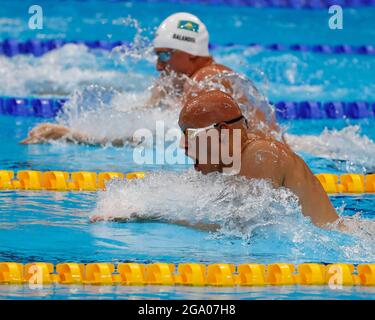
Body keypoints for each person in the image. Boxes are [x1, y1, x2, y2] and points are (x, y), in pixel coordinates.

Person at [21, 12, 278, 146]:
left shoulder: (205, 81)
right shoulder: (192, 79)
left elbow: (163, 137)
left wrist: (77, 135)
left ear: (188, 52)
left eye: (165, 55)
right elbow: (145, 118)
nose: (158, 65)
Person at [178, 90, 340, 228]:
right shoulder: (230, 163)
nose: (182, 145)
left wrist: (165, 215)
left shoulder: (261, 154)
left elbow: (240, 227)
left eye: (189, 134)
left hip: (330, 257)